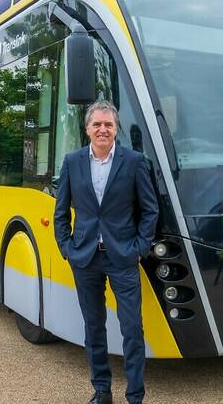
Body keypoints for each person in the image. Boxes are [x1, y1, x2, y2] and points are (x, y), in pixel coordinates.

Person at [54, 100, 159, 404]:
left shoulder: (135, 161)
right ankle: (102, 392)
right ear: (87, 129)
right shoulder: (72, 162)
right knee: (93, 328)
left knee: (131, 330)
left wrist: (139, 248)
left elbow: (150, 211)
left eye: (108, 125)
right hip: (85, 258)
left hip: (123, 256)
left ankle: (135, 396)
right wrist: (67, 248)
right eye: (97, 124)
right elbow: (61, 212)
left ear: (116, 129)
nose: (102, 129)